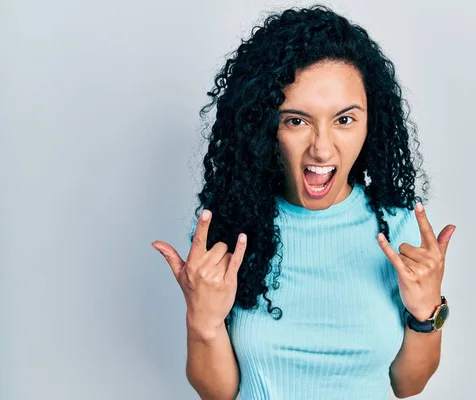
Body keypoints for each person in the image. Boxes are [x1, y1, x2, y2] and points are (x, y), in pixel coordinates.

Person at [152, 5, 456, 399]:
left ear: (371, 122)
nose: (322, 148)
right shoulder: (230, 228)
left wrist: (425, 312)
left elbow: (407, 384)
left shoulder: (397, 229)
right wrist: (202, 322)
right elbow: (218, 393)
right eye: (296, 120)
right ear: (265, 126)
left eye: (344, 120)